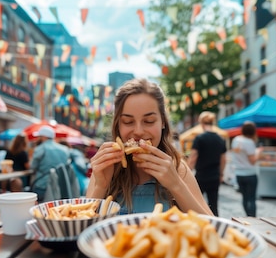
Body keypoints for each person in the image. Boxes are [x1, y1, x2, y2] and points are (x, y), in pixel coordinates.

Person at [86, 78, 212, 215]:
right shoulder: (105, 167)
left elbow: (212, 228)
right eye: (128, 122)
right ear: (118, 125)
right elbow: (82, 229)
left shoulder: (176, 168)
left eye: (149, 121)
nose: (139, 131)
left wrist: (176, 185)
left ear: (163, 122)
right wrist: (101, 186)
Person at [187, 111, 227, 216]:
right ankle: (215, 227)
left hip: (201, 176)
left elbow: (193, 157)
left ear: (201, 123)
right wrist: (221, 174)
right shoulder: (220, 139)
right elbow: (223, 159)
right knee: (214, 205)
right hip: (215, 176)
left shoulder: (199, 138)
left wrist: (187, 172)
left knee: (196, 203)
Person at [30, 125, 70, 202]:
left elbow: (33, 167)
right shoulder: (64, 149)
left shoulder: (40, 148)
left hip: (42, 185)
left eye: (40, 136)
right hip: (60, 185)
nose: (38, 139)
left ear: (44, 137)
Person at [230, 121, 260, 217]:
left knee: (245, 198)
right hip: (250, 173)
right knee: (251, 198)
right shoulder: (249, 142)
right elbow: (252, 160)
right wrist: (259, 152)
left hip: (239, 173)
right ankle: (253, 219)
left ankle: (247, 216)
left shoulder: (235, 140)